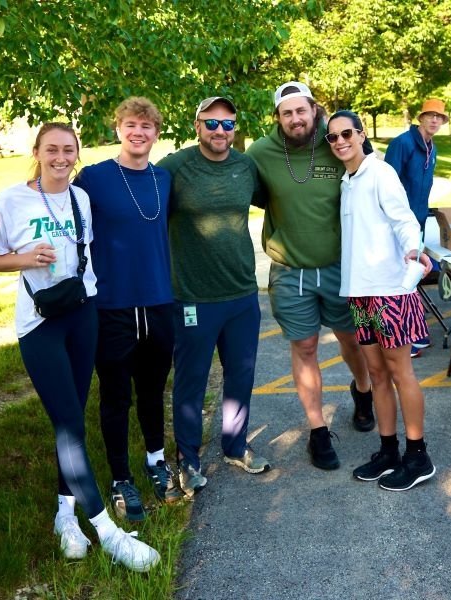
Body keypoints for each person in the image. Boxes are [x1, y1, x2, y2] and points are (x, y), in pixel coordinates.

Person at [0, 122, 160, 569]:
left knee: (72, 421)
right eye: (52, 150)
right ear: (37, 152)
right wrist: (26, 258)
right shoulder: (10, 199)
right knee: (67, 426)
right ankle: (108, 530)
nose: (60, 158)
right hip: (40, 323)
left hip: (84, 315)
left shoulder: (81, 197)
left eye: (68, 150)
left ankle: (65, 515)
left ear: (76, 154)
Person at [246, 82, 373, 471]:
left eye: (301, 110)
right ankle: (318, 432)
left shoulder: (337, 141)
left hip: (341, 267)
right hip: (289, 270)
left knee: (353, 339)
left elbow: (371, 183)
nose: (295, 119)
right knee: (304, 348)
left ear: (314, 109)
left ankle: (363, 391)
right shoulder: (261, 154)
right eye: (287, 113)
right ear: (278, 118)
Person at [73, 97, 183, 519]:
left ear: (156, 132)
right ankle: (121, 477)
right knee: (116, 393)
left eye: (147, 126)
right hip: (112, 305)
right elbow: (53, 200)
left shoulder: (164, 179)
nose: (139, 132)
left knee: (154, 388)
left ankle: (156, 460)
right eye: (131, 125)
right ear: (118, 128)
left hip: (158, 300)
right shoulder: (94, 179)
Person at [158, 96, 271, 497]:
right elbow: (139, 197)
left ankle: (235, 446)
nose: (220, 132)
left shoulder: (245, 166)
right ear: (197, 125)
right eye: (211, 124)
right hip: (192, 296)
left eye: (228, 125)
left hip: (241, 292)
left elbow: (279, 199)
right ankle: (188, 460)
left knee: (241, 375)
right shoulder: (176, 167)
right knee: (191, 382)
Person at [325, 109, 436, 491]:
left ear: (360, 135)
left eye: (346, 134)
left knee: (400, 371)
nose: (340, 141)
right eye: (333, 137)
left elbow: (405, 220)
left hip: (391, 291)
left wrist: (412, 250)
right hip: (361, 293)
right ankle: (389, 450)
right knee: (376, 375)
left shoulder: (380, 172)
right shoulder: (348, 181)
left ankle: (418, 456)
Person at [384, 98, 449, 357]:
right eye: (430, 115)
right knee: (401, 279)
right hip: (399, 225)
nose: (434, 120)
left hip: (418, 223)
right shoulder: (403, 143)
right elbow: (387, 185)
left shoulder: (431, 148)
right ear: (420, 118)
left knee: (412, 277)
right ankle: (407, 340)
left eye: (439, 117)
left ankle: (415, 335)